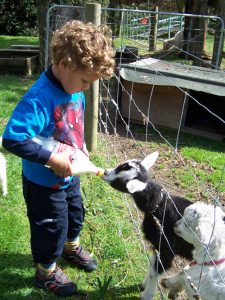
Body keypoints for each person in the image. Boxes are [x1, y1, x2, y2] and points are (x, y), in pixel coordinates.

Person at [2, 20, 115, 297]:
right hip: (43, 183)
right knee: (50, 228)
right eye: (86, 81)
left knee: (74, 216)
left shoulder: (72, 88)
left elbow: (73, 123)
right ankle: (46, 273)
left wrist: (83, 145)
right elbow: (13, 138)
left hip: (69, 177)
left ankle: (71, 248)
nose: (87, 88)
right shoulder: (40, 98)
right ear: (65, 63)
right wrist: (52, 160)